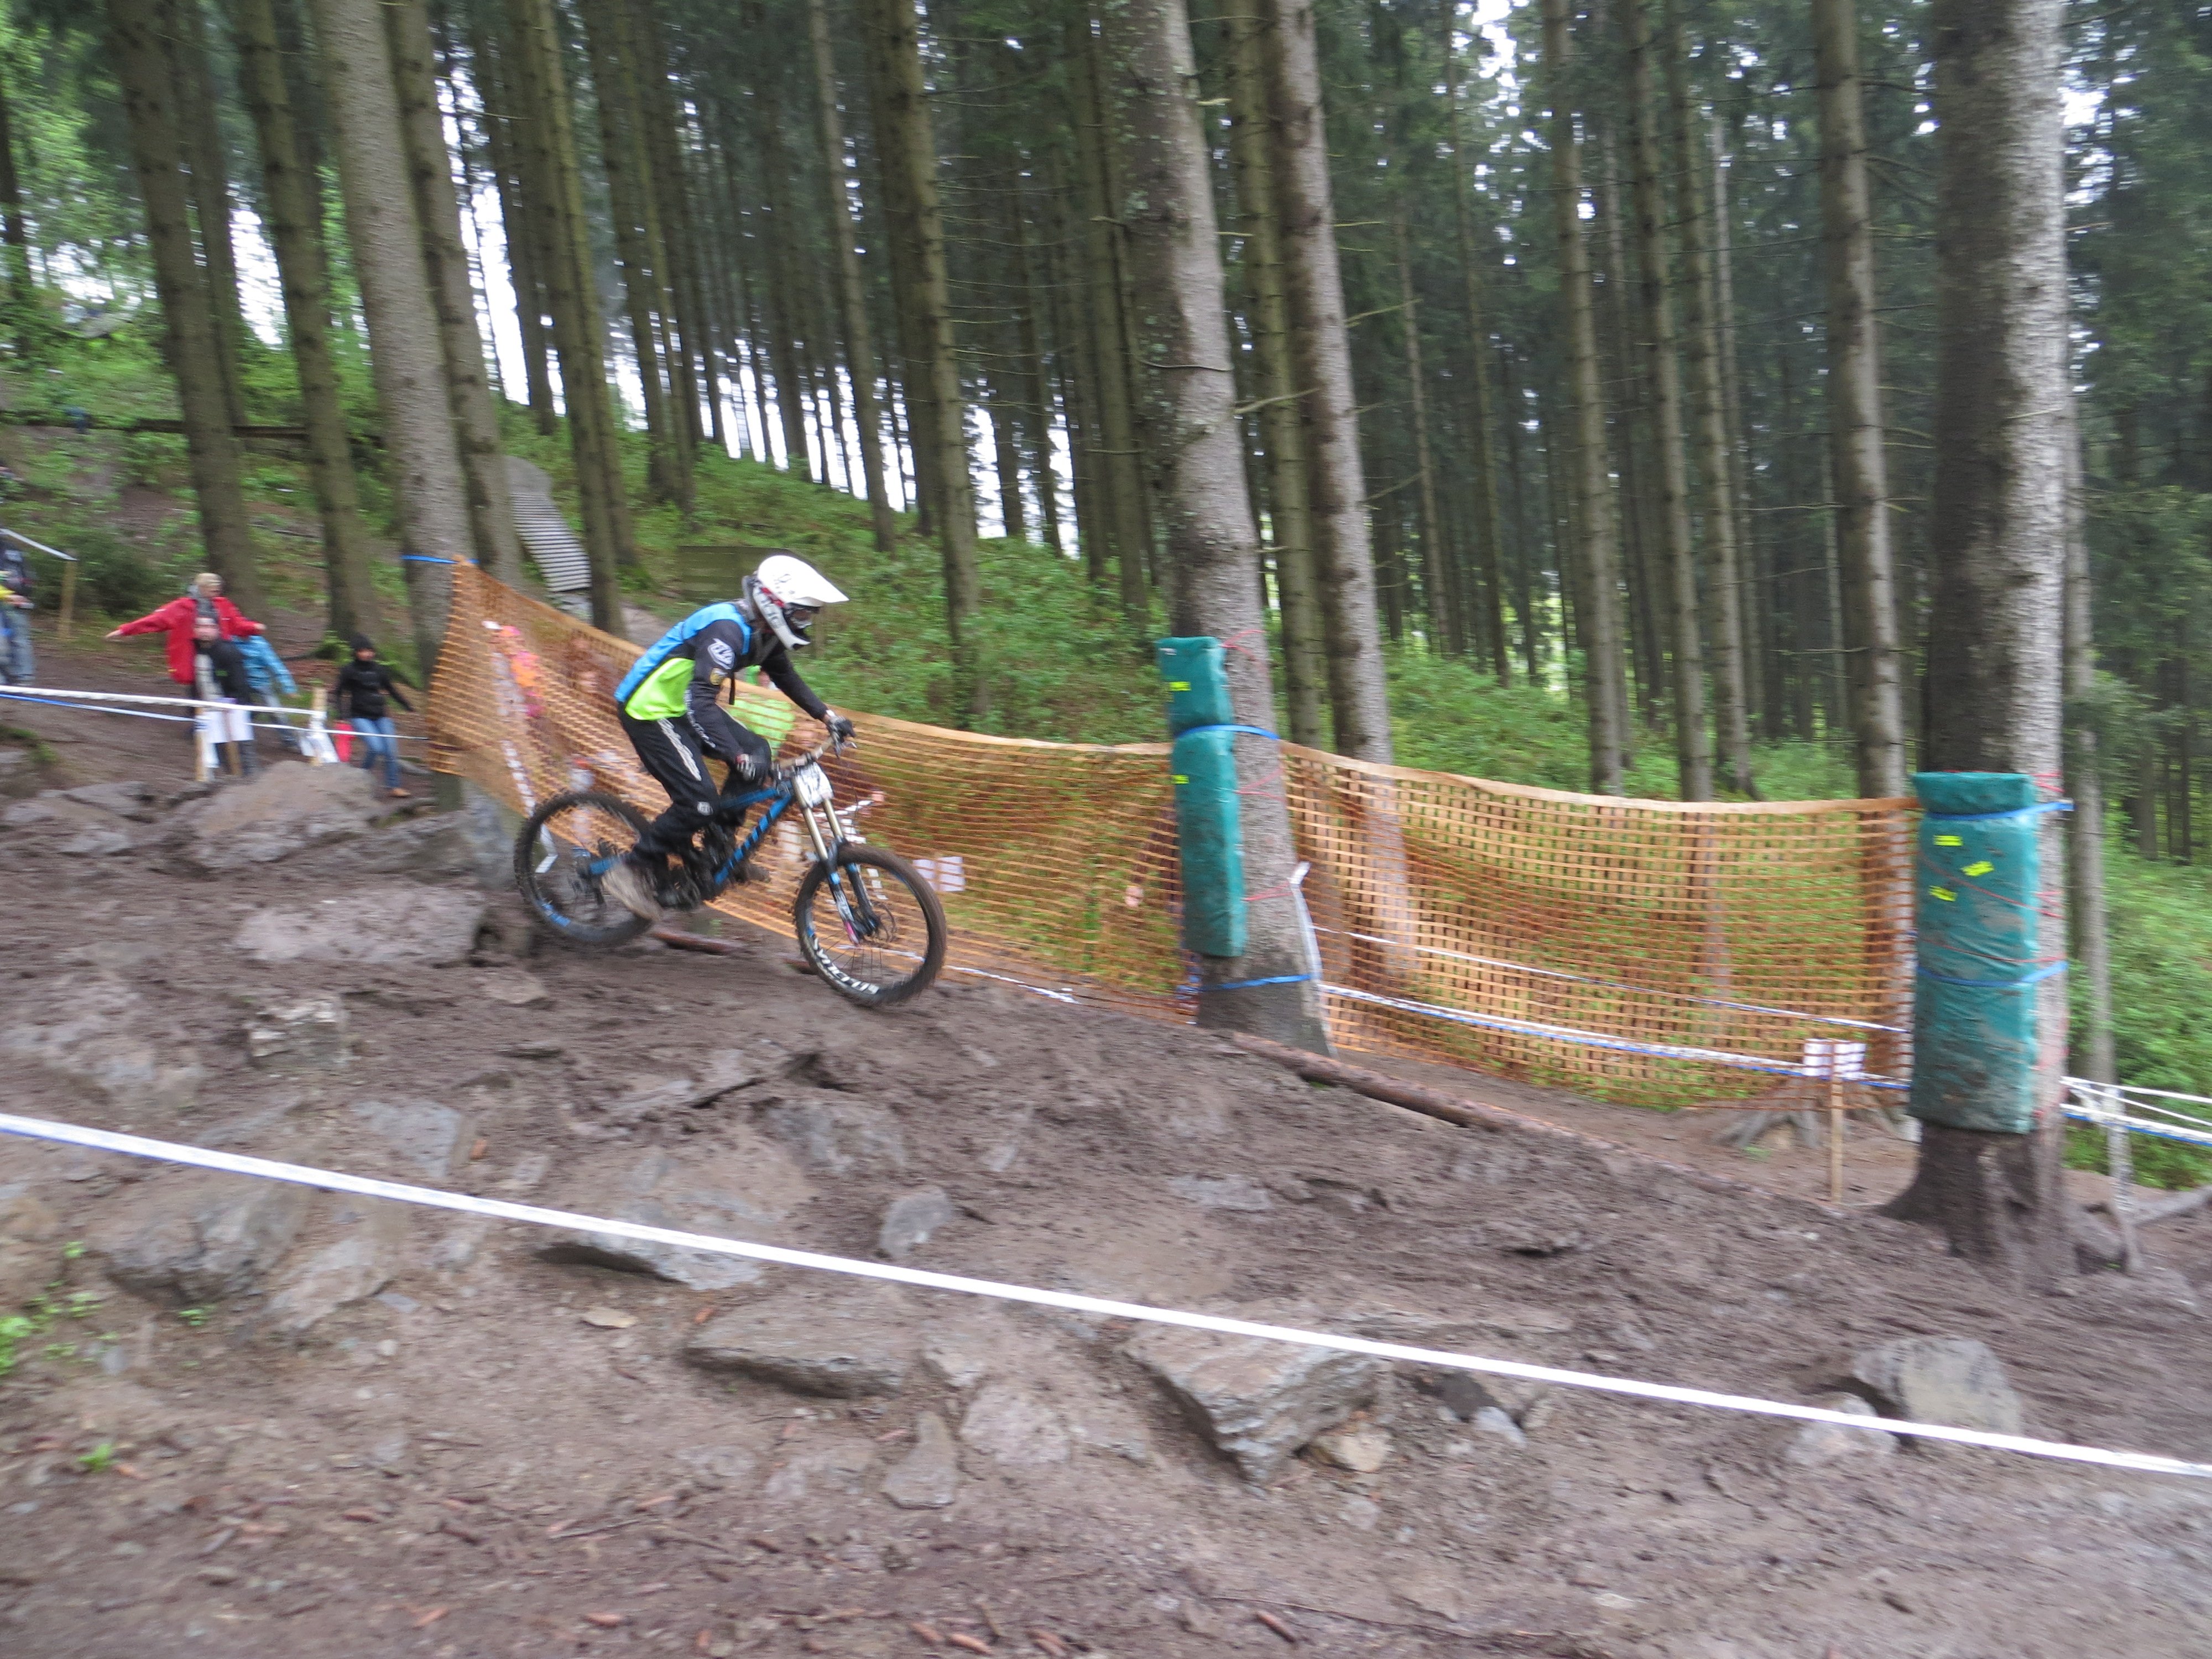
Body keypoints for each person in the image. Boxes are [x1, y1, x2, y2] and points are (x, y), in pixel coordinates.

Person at [601, 553, 854, 920]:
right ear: (775, 605)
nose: (805, 622)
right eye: (801, 614)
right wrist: (735, 756)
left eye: (809, 616)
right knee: (699, 802)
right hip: (650, 708)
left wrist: (828, 716)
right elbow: (700, 702)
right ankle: (632, 869)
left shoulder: (762, 632)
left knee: (758, 750)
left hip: (683, 705)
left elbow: (784, 674)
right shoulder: (727, 629)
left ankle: (718, 850)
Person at [107, 573, 264, 688]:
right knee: (200, 685)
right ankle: (198, 717)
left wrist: (253, 627)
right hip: (195, 653)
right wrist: (125, 630)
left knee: (225, 676)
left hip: (219, 651)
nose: (217, 591)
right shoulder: (182, 606)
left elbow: (237, 623)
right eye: (213, 588)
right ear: (202, 588)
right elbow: (155, 620)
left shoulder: (223, 604)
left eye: (218, 588)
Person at [333, 634, 414, 799]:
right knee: (376, 748)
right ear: (356, 652)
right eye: (363, 651)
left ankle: (393, 786)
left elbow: (391, 689)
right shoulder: (349, 670)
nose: (367, 654)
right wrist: (341, 715)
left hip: (381, 716)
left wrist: (406, 705)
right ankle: (360, 776)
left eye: (370, 651)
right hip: (360, 716)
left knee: (391, 750)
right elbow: (338, 693)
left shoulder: (379, 669)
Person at [188, 614, 257, 778]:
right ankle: (232, 785)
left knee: (243, 755)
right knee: (221, 756)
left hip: (233, 711)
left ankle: (255, 785)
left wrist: (236, 706)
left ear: (217, 629)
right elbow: (196, 683)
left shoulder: (228, 652)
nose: (203, 630)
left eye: (208, 626)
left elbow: (240, 683)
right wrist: (193, 709)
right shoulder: (196, 651)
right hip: (209, 712)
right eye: (200, 626)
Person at [237, 632, 301, 754]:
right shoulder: (231, 640)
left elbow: (276, 665)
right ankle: (239, 738)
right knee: (236, 710)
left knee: (276, 711)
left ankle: (290, 741)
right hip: (238, 682)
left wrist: (289, 688)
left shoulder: (259, 644)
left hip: (260, 682)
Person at [0, 536, 32, 686]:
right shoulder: (11, 547)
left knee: (18, 640)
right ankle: (20, 677)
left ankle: (22, 677)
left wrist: (17, 595)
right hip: (14, 598)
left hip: (15, 600)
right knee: (14, 640)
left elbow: (23, 575)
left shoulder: (10, 548)